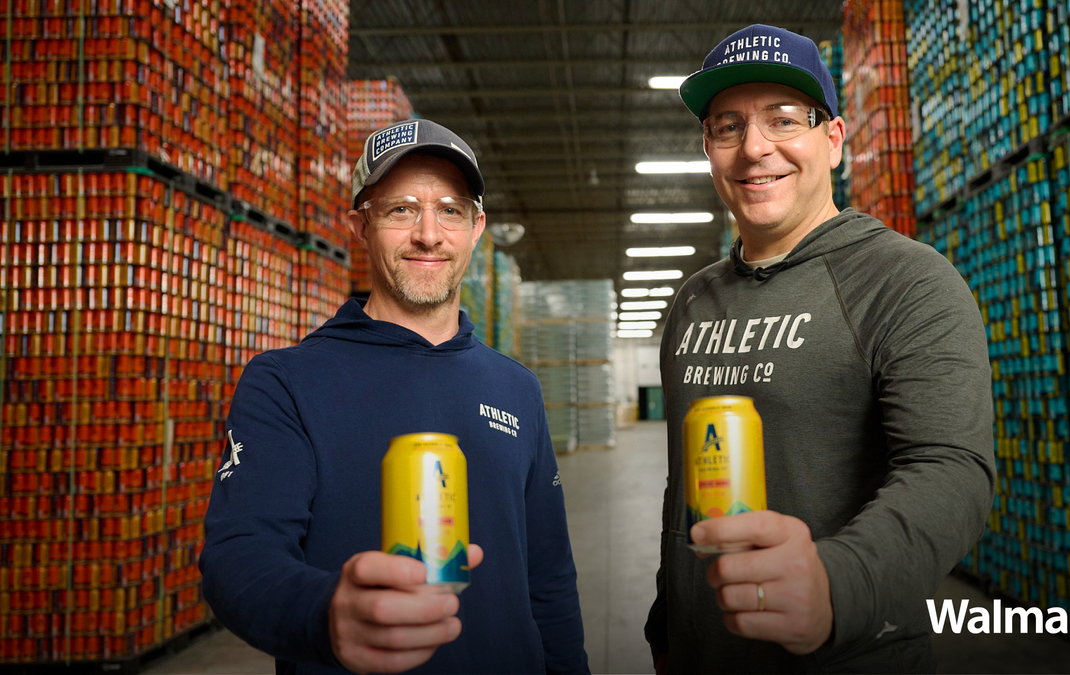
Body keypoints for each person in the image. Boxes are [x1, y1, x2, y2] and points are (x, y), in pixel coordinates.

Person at [644, 24, 996, 673]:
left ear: (833, 140)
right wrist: (668, 621)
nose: (754, 148)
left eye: (783, 120)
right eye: (728, 126)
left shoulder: (906, 280)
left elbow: (952, 469)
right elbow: (684, 485)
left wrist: (837, 583)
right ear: (708, 147)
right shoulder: (693, 301)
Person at [201, 119, 589, 675]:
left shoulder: (517, 388)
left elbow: (548, 576)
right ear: (360, 225)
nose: (429, 234)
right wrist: (325, 614)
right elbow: (237, 558)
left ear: (477, 226)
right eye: (401, 209)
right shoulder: (285, 382)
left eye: (450, 210)